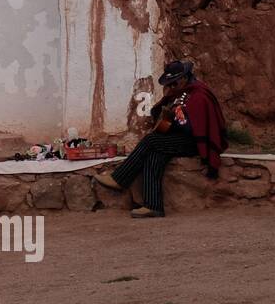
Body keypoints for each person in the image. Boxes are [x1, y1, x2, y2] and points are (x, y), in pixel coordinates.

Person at [97, 60, 228, 218]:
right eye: (169, 84)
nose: (171, 88)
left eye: (173, 84)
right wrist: (167, 116)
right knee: (154, 155)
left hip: (195, 142)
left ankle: (120, 179)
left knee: (151, 141)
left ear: (184, 78)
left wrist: (176, 120)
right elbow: (164, 117)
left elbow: (194, 128)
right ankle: (153, 206)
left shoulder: (199, 94)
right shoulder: (180, 92)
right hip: (179, 138)